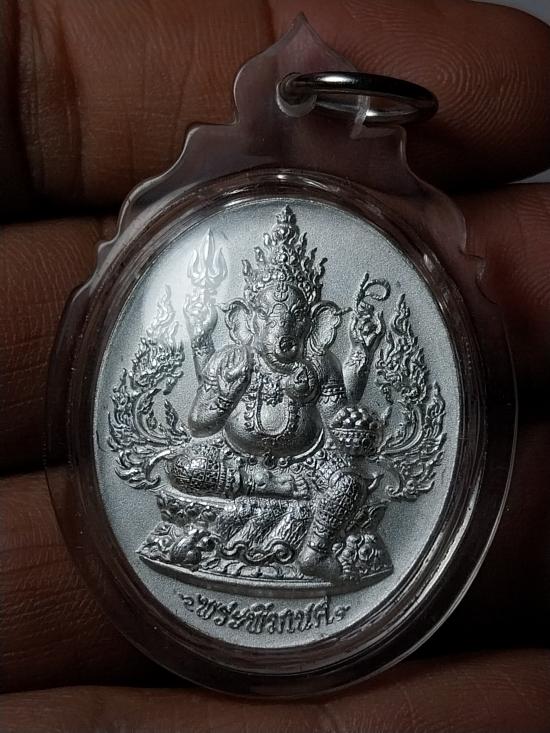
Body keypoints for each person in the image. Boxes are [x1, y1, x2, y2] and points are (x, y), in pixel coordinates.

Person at [1, 0, 549, 730]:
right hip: (233, 470)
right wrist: (218, 382)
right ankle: (266, 532)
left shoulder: (316, 357)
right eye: (270, 320)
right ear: (248, 317)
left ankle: (314, 548)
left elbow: (345, 412)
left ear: (311, 317)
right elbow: (202, 424)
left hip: (299, 473)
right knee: (182, 470)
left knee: (349, 479)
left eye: (296, 320)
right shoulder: (234, 353)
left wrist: (355, 379)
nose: (282, 333)